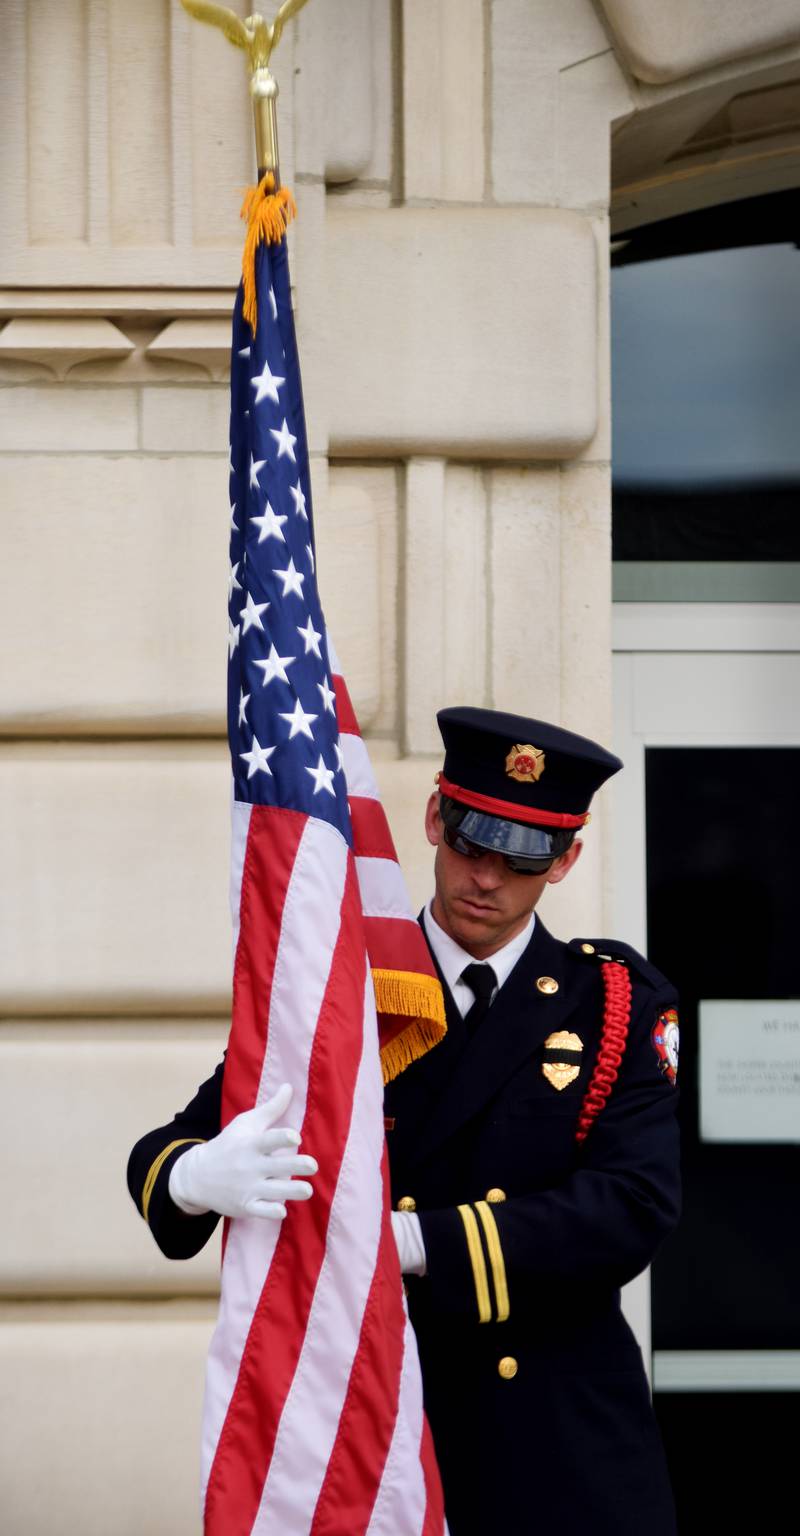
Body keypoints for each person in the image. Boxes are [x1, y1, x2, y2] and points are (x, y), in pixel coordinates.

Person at [128, 706, 680, 1536]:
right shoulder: (338, 990)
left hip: (551, 1445)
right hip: (372, 1430)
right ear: (433, 818)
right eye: (468, 842)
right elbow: (163, 1150)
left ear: (565, 860)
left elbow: (630, 1209)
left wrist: (416, 1243)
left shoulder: (612, 1007)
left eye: (521, 856)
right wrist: (196, 1178)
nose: (484, 878)